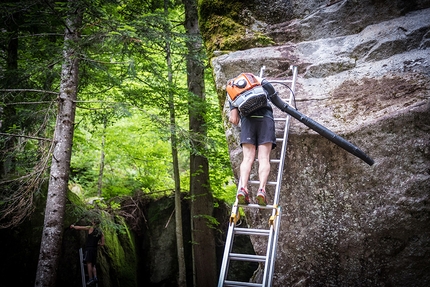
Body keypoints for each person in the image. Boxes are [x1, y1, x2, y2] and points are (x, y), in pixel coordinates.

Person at [228, 73, 279, 206]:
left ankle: (243, 188)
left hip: (248, 122)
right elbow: (273, 94)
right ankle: (261, 189)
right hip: (265, 119)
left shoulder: (232, 92)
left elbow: (234, 119)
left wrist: (236, 110)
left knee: (247, 159)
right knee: (263, 158)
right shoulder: (256, 80)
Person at [71, 219, 105, 286]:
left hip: (89, 248)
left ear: (93, 223)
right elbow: (102, 244)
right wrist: (97, 244)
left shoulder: (90, 228)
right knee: (93, 264)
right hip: (95, 249)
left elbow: (80, 228)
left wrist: (73, 226)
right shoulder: (101, 232)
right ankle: (95, 277)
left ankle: (90, 279)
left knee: (88, 263)